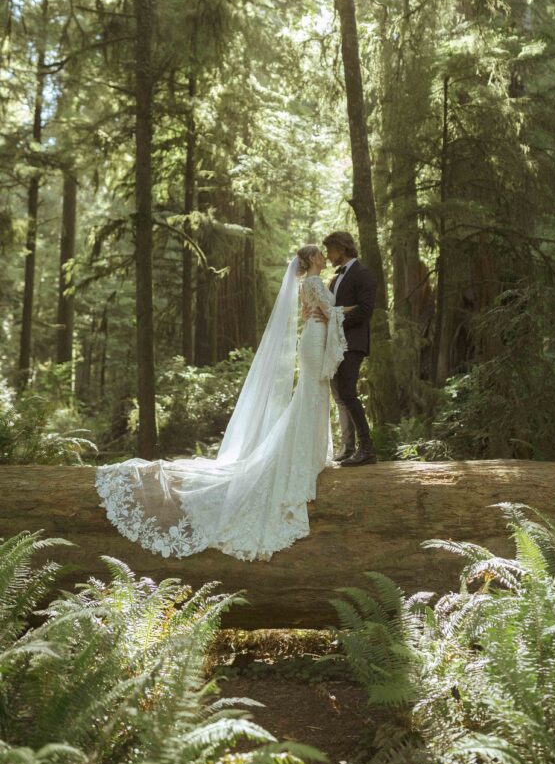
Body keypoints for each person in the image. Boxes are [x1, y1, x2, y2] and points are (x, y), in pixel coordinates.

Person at [95, 245, 349, 562]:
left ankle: (309, 452)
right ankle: (303, 457)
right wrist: (353, 310)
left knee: (311, 396)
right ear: (311, 260)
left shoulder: (307, 285)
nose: (325, 258)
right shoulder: (313, 282)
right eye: (321, 255)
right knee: (311, 395)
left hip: (312, 337)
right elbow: (331, 309)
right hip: (315, 339)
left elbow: (315, 311)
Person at [304, 231, 377, 467]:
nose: (328, 255)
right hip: (332, 344)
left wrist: (333, 319)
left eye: (331, 250)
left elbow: (365, 311)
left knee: (347, 392)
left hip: (352, 343)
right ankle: (348, 447)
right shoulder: (334, 279)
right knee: (339, 396)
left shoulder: (363, 274)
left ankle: (367, 449)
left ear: (342, 248)